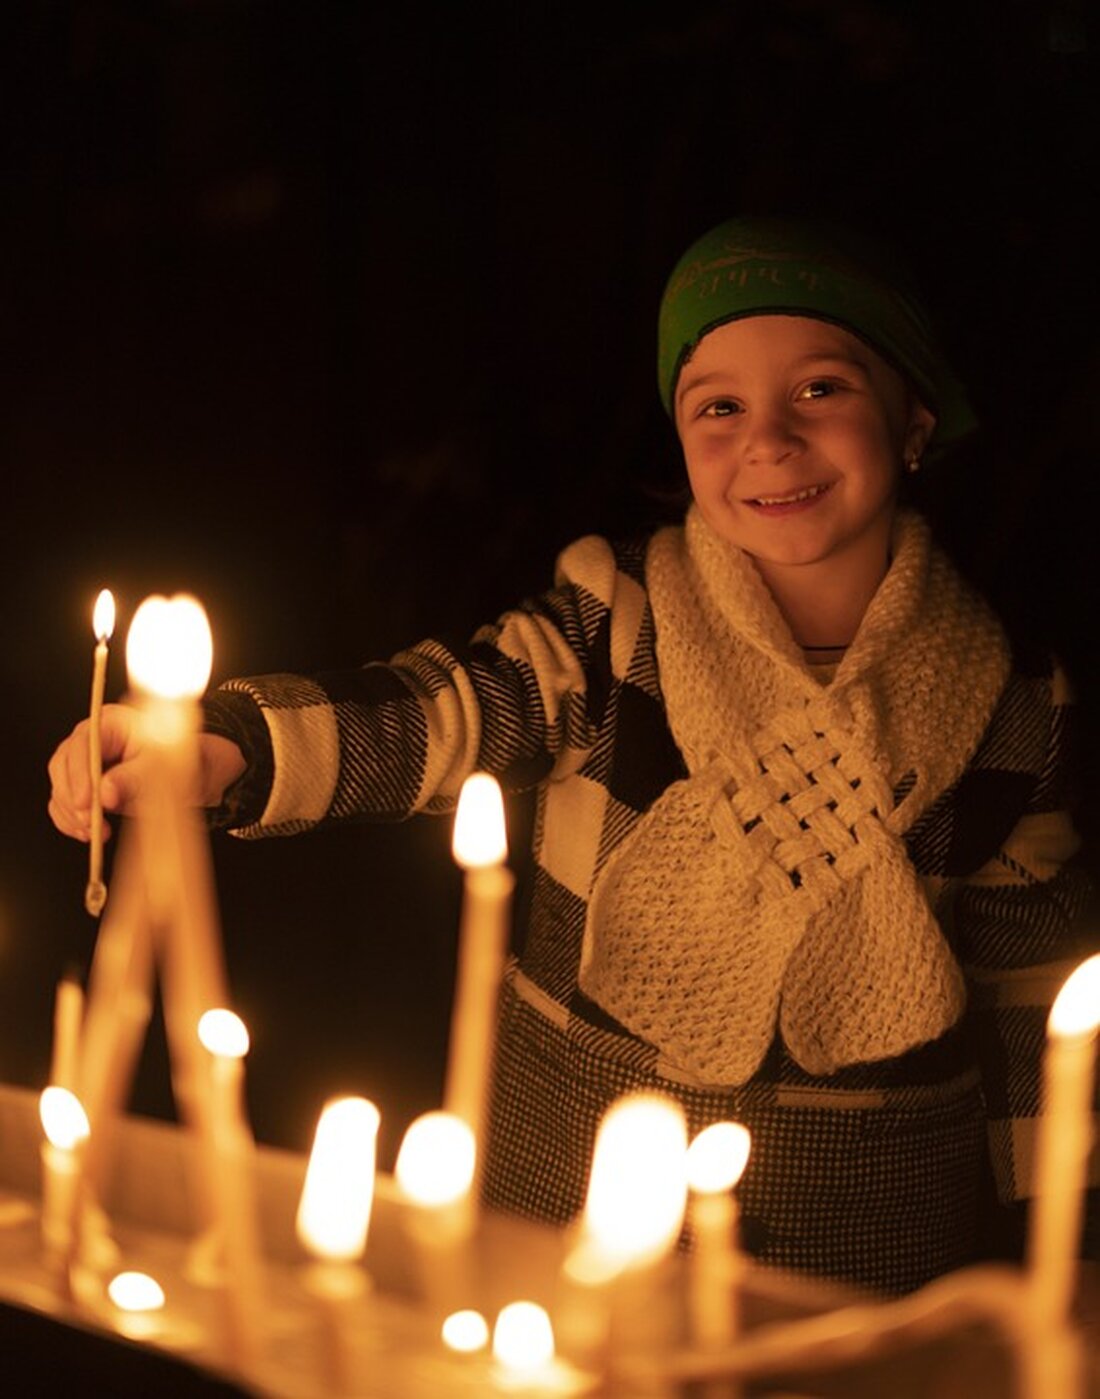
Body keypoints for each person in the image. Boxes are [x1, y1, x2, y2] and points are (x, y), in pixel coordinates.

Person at [48, 217, 1097, 1296]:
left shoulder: (1016, 697)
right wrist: (226, 746)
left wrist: (1059, 1260)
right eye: (719, 406)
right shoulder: (614, 628)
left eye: (820, 389)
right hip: (573, 1189)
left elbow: (1031, 1002)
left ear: (912, 415)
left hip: (863, 1242)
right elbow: (439, 715)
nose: (769, 440)